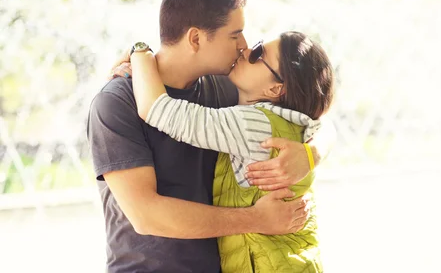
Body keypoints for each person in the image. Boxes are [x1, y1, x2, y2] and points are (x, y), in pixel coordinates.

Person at [87, 0, 332, 273]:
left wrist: (311, 153)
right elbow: (147, 216)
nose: (244, 46)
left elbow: (309, 113)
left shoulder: (230, 89)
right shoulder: (117, 102)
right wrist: (257, 219)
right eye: (235, 34)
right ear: (196, 38)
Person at [123, 31, 334, 272]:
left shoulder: (252, 124)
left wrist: (139, 51)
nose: (245, 50)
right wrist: (312, 153)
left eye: (258, 53)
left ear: (276, 90)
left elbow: (158, 110)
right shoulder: (296, 123)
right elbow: (324, 122)